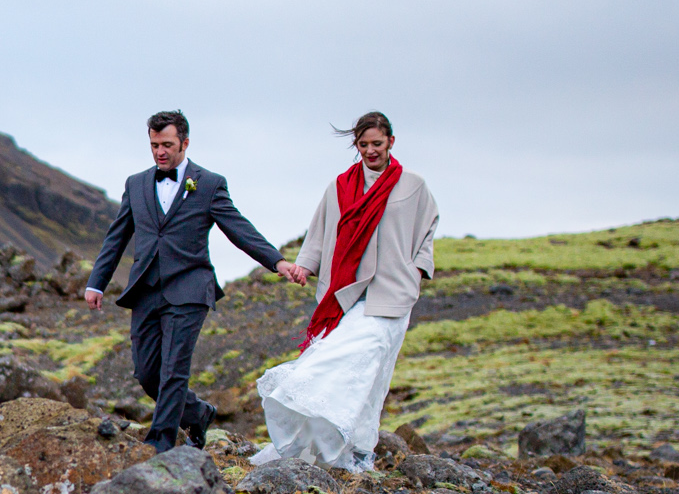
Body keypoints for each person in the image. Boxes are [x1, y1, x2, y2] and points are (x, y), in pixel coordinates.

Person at [85, 110, 306, 453]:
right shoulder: (136, 184)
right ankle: (198, 413)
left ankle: (161, 443)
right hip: (145, 289)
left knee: (174, 368)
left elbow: (238, 228)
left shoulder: (209, 184)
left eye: (167, 145)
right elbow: (117, 237)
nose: (160, 152)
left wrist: (276, 261)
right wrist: (96, 282)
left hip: (190, 287)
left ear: (185, 143)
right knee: (147, 373)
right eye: (154, 145)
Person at [251, 111, 437, 472]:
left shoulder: (413, 185)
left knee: (373, 370)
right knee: (336, 360)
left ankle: (359, 448)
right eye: (363, 145)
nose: (370, 151)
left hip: (392, 293)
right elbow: (319, 230)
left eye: (377, 144)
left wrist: (417, 270)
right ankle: (321, 443)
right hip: (346, 292)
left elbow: (427, 228)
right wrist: (305, 265)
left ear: (391, 143)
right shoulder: (340, 186)